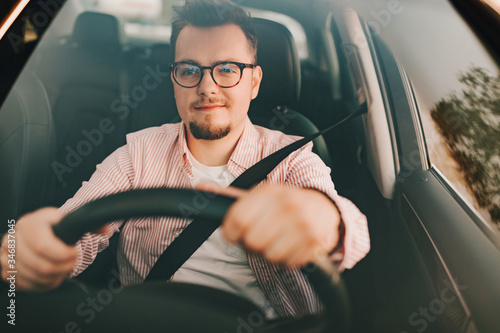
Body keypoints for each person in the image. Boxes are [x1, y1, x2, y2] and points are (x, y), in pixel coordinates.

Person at [0, 0, 369, 319]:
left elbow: (350, 228)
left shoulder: (292, 158)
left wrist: (324, 220)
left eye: (227, 69)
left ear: (254, 82)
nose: (207, 86)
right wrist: (26, 249)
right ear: (175, 80)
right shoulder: (137, 155)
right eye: (190, 70)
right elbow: (71, 230)